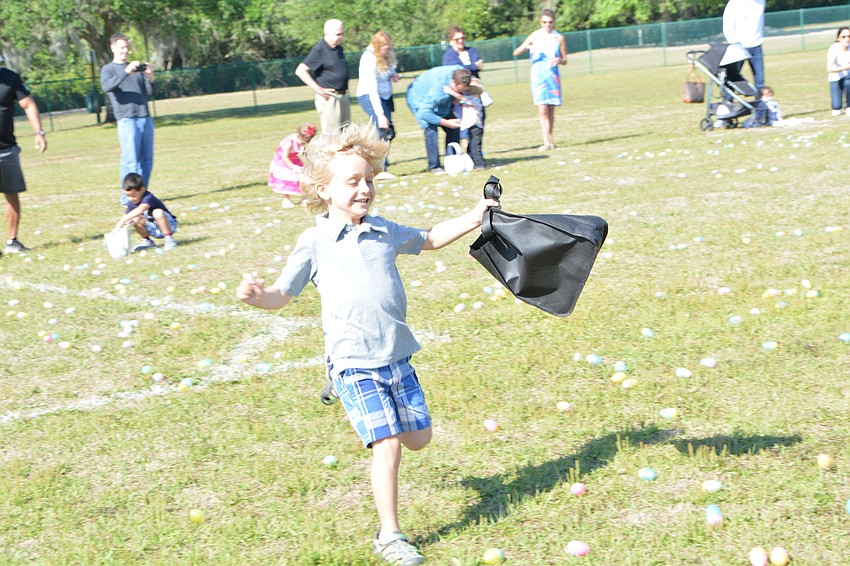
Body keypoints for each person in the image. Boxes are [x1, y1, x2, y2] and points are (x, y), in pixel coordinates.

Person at [236, 123, 499, 565]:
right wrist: (257, 297)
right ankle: (390, 536)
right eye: (352, 182)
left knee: (419, 438)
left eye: (369, 180)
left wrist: (475, 215)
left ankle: (389, 504)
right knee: (389, 444)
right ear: (323, 189)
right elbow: (283, 294)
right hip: (354, 362)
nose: (364, 189)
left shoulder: (383, 231)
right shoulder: (314, 242)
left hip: (397, 355)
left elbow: (431, 239)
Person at [101, 33, 156, 206]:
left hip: (144, 118)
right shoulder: (109, 69)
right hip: (127, 119)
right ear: (113, 48)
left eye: (126, 47)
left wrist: (150, 77)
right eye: (121, 47)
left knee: (147, 159)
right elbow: (107, 86)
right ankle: (128, 197)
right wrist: (126, 71)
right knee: (131, 160)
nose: (125, 50)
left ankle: (141, 192)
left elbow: (151, 92)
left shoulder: (136, 70)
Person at [0, 60, 46, 255]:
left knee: (12, 195)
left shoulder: (9, 77)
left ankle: (12, 241)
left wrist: (39, 133)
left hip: (7, 148)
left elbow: (28, 104)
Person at [512, 9, 568, 151]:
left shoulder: (558, 38)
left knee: (551, 109)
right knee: (542, 109)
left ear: (554, 22)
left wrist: (559, 60)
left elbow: (565, 60)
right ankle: (545, 141)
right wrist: (527, 45)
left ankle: (550, 140)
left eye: (550, 22)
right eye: (544, 22)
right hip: (538, 76)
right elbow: (516, 52)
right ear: (540, 22)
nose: (547, 25)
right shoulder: (535, 36)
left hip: (552, 76)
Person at [405, 66, 471, 173]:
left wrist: (456, 96)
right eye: (459, 90)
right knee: (430, 129)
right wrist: (447, 123)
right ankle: (434, 166)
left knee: (455, 129)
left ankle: (451, 160)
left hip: (441, 99)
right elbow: (424, 113)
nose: (460, 93)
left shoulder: (462, 72)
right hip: (418, 98)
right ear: (453, 82)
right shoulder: (439, 91)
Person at [356, 31, 400, 178]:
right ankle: (378, 169)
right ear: (377, 46)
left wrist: (392, 74)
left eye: (389, 48)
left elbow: (388, 68)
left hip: (384, 96)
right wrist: (380, 114)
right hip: (370, 96)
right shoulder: (369, 58)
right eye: (385, 49)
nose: (388, 51)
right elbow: (371, 89)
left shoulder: (384, 56)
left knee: (389, 132)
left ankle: (378, 164)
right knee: (383, 130)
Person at [295, 19, 350, 134]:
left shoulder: (338, 49)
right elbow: (301, 71)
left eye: (342, 34)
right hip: (330, 98)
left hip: (343, 96)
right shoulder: (319, 49)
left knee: (346, 134)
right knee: (333, 136)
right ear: (328, 33)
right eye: (338, 34)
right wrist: (319, 90)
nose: (341, 37)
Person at [115, 172, 178, 252]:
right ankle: (147, 241)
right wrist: (121, 226)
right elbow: (127, 216)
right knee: (134, 219)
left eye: (133, 195)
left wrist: (123, 220)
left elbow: (140, 210)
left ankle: (169, 239)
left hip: (169, 225)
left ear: (142, 189)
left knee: (157, 212)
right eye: (128, 196)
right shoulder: (131, 202)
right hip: (153, 228)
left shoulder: (148, 197)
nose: (130, 198)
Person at [723, 0, 766, 99]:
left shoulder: (760, 2)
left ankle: (760, 109)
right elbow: (727, 27)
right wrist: (735, 44)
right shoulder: (734, 3)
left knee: (760, 80)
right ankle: (727, 104)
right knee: (732, 78)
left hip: (756, 46)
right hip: (739, 47)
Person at [269, 122, 317, 208]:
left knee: (303, 178)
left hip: (294, 159)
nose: (303, 144)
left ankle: (305, 197)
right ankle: (286, 199)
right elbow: (285, 157)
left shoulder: (301, 142)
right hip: (285, 162)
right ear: (299, 136)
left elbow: (302, 150)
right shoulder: (290, 143)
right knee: (287, 180)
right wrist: (293, 167)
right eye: (303, 143)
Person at [447, 80, 486, 169]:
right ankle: (473, 163)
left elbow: (462, 99)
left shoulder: (474, 99)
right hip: (470, 126)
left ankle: (480, 165)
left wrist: (451, 91)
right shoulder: (470, 99)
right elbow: (457, 102)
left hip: (476, 127)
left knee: (475, 147)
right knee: (470, 147)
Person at [826, 27, 850, 116]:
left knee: (848, 82)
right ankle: (838, 106)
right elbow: (829, 69)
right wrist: (846, 67)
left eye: (849, 36)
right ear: (838, 38)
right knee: (836, 108)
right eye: (843, 37)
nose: (846, 39)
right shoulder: (834, 48)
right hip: (836, 78)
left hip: (848, 78)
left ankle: (849, 106)